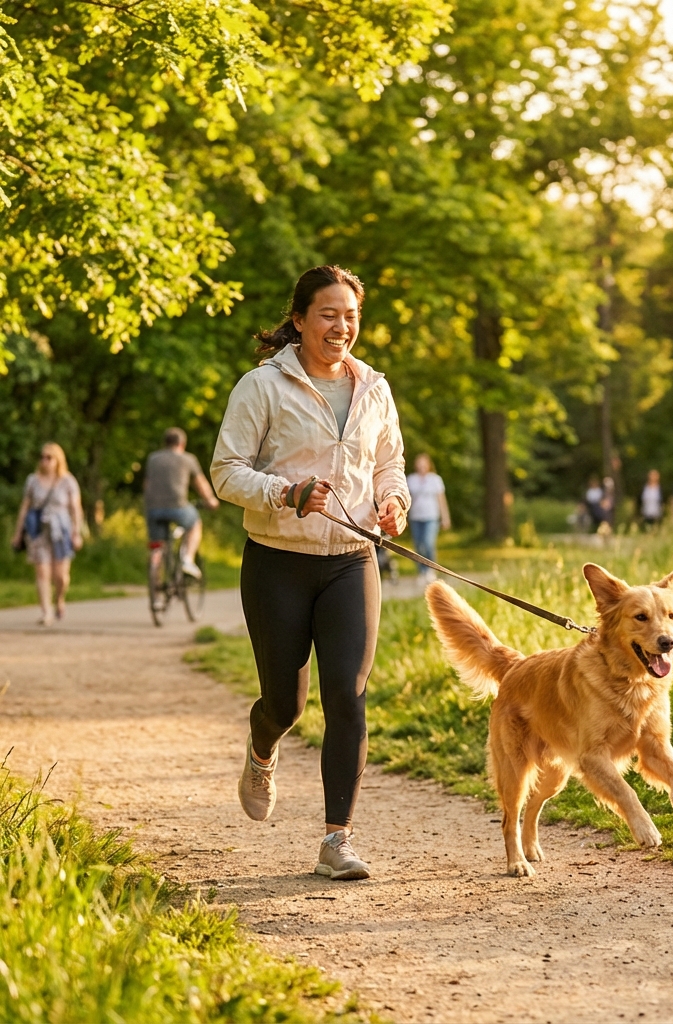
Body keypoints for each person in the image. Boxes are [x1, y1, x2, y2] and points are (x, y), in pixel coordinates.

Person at [210, 264, 410, 883]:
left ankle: (337, 840)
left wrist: (394, 500)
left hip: (353, 562)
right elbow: (225, 472)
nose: (341, 326)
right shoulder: (262, 387)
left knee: (347, 697)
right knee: (285, 703)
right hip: (278, 563)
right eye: (328, 313)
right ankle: (262, 745)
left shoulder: (374, 387)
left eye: (350, 315)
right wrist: (287, 492)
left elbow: (390, 463)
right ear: (299, 321)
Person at [10, 442, 84, 626]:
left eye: (48, 457)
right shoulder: (32, 480)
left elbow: (76, 509)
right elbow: (25, 508)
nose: (44, 461)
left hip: (61, 530)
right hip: (38, 531)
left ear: (58, 460)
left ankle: (59, 599)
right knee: (42, 572)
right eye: (42, 457)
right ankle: (46, 612)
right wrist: (18, 532)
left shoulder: (68, 481)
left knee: (61, 576)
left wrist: (76, 533)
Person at [144, 427, 220, 579]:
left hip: (153, 509)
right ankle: (187, 560)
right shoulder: (188, 459)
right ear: (182, 443)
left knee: (157, 546)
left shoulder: (153, 459)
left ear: (164, 443)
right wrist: (210, 500)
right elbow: (201, 484)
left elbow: (146, 485)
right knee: (195, 523)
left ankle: (156, 591)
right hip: (178, 506)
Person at [406, 453, 451, 578]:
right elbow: (407, 500)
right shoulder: (411, 479)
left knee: (428, 543)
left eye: (423, 464)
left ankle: (431, 569)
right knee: (418, 545)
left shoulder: (435, 479)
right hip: (415, 517)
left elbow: (441, 500)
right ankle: (422, 571)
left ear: (428, 465)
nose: (421, 466)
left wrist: (445, 518)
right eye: (419, 464)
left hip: (431, 517)